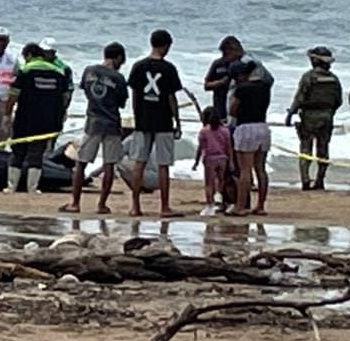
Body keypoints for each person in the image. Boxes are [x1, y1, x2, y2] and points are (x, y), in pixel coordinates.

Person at [60, 42, 127, 214]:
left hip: (93, 120)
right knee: (109, 164)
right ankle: (102, 204)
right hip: (111, 123)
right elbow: (121, 103)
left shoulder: (89, 71)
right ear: (118, 57)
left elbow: (86, 91)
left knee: (81, 162)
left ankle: (75, 203)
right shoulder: (118, 78)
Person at [127, 29, 184, 218]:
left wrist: (137, 116)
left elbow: (134, 95)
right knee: (163, 165)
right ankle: (164, 207)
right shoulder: (169, 69)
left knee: (139, 163)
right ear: (166, 45)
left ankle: (135, 206)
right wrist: (177, 120)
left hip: (143, 119)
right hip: (163, 120)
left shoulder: (138, 66)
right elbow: (170, 97)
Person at [4, 43, 64, 194]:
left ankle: (11, 187)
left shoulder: (25, 70)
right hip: (46, 121)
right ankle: (33, 188)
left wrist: (7, 115)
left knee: (18, 151)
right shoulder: (58, 72)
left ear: (29, 55)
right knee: (37, 153)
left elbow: (13, 95)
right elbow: (63, 99)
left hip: (25, 118)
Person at [286, 46, 343, 191]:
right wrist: (329, 112)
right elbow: (338, 101)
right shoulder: (334, 79)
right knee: (323, 149)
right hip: (327, 116)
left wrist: (290, 114)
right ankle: (320, 181)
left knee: (306, 148)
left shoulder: (308, 77)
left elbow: (299, 98)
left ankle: (305, 180)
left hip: (309, 116)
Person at [228, 58, 272, 216]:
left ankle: (240, 206)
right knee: (260, 168)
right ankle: (260, 205)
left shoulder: (241, 89)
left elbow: (232, 110)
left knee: (245, 169)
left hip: (245, 127)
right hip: (262, 126)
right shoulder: (265, 87)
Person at [193, 106, 232, 212]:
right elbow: (228, 147)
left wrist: (196, 162)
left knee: (209, 183)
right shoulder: (225, 131)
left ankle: (210, 204)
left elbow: (200, 148)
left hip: (210, 158)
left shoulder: (204, 132)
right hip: (223, 158)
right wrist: (231, 160)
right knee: (221, 180)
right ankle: (219, 198)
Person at [39, 37, 74, 128]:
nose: (44, 54)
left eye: (47, 52)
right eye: (43, 51)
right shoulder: (35, 65)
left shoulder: (63, 68)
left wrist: (63, 109)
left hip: (55, 107)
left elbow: (68, 91)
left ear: (54, 52)